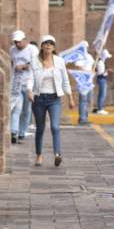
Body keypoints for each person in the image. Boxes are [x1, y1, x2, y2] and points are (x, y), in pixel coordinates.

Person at [27, 34, 75, 167]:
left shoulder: (59, 61)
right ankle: (39, 155)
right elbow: (30, 78)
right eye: (46, 43)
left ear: (54, 47)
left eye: (51, 43)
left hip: (54, 99)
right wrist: (29, 91)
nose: (48, 45)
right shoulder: (34, 61)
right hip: (39, 98)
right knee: (40, 128)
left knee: (55, 126)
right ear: (41, 46)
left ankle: (57, 154)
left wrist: (70, 97)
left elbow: (65, 80)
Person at [9, 30, 35, 144]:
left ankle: (22, 132)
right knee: (16, 108)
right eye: (15, 42)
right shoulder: (12, 50)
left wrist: (24, 66)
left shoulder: (32, 49)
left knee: (26, 110)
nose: (17, 44)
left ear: (24, 40)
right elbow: (11, 63)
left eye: (19, 42)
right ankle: (14, 131)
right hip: (16, 82)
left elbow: (35, 64)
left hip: (28, 82)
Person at [73, 41, 95, 125]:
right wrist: (87, 72)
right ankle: (82, 118)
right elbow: (78, 67)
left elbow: (92, 66)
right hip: (83, 82)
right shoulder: (80, 56)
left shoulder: (89, 56)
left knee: (88, 100)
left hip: (89, 81)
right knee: (83, 100)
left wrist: (92, 71)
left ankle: (85, 117)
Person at [94, 49, 111, 115]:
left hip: (102, 79)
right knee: (102, 95)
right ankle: (100, 108)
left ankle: (100, 108)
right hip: (102, 79)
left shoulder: (101, 62)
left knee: (102, 94)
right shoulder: (100, 63)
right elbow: (100, 73)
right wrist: (106, 71)